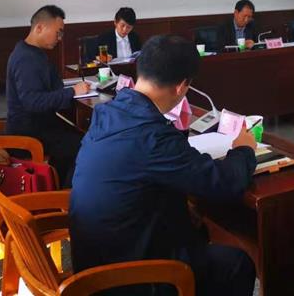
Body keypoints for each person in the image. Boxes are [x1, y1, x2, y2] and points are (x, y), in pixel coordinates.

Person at [70, 35, 257, 296]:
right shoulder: (152, 135)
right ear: (181, 87)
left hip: (93, 261)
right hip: (124, 279)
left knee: (195, 227)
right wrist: (244, 149)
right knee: (237, 264)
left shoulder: (110, 112)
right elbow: (224, 183)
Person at [6, 5, 89, 187]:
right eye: (58, 32)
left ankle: (57, 185)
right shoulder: (26, 59)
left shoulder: (33, 53)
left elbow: (51, 87)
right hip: (30, 132)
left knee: (82, 135)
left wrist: (68, 90)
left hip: (40, 125)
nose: (60, 38)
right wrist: (72, 92)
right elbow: (32, 102)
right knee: (85, 145)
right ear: (39, 27)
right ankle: (66, 195)